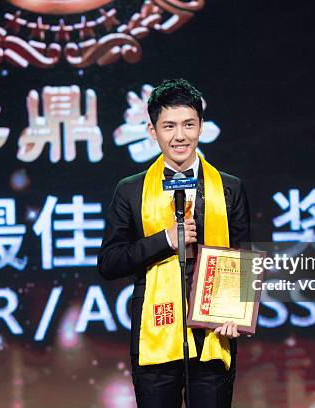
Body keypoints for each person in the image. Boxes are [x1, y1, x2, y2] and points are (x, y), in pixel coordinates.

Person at [98, 78, 251, 407]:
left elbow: (242, 257)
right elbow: (109, 263)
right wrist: (164, 240)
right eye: (168, 126)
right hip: (155, 336)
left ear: (201, 127)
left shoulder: (229, 188)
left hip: (213, 336)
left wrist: (235, 313)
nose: (179, 136)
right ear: (152, 131)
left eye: (188, 124)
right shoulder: (130, 190)